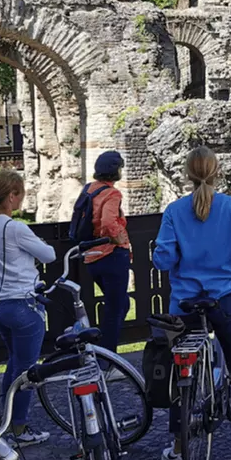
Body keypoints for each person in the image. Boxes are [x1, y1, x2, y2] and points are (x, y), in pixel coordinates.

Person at [152, 146, 231, 460]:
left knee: (183, 372)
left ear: (187, 174)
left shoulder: (175, 211)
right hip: (226, 299)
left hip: (185, 303)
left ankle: (179, 449)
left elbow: (162, 259)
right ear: (217, 171)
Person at [0, 170, 55, 447]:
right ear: (12, 196)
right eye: (20, 193)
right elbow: (49, 255)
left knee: (13, 366)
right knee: (26, 371)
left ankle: (5, 422)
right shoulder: (15, 228)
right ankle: (19, 429)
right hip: (22, 303)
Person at [79, 151, 131, 354]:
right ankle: (107, 359)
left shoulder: (89, 189)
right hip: (111, 255)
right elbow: (109, 222)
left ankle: (102, 347)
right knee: (114, 309)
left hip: (92, 256)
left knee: (120, 304)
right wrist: (119, 238)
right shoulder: (112, 193)